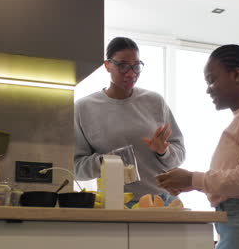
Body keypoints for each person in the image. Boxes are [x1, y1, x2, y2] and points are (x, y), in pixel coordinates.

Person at [156, 44, 239, 249]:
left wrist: (193, 178)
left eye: (212, 80)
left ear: (237, 74)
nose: (208, 89)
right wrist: (192, 184)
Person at [74, 37, 185, 206]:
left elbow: (179, 155)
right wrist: (107, 162)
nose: (131, 73)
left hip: (164, 200)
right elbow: (76, 168)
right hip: (117, 203)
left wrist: (164, 151)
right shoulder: (83, 108)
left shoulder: (154, 101)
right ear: (107, 65)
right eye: (123, 65)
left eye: (136, 66)